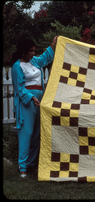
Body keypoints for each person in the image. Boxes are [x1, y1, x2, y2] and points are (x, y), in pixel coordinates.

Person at [11, 36, 59, 177]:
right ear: (23, 52)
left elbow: (45, 58)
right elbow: (19, 88)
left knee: (37, 133)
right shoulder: (16, 67)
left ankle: (31, 164)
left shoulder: (35, 62)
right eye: (30, 51)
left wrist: (53, 44)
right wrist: (31, 97)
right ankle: (23, 167)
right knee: (27, 133)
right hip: (27, 101)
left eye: (34, 51)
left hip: (40, 99)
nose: (33, 53)